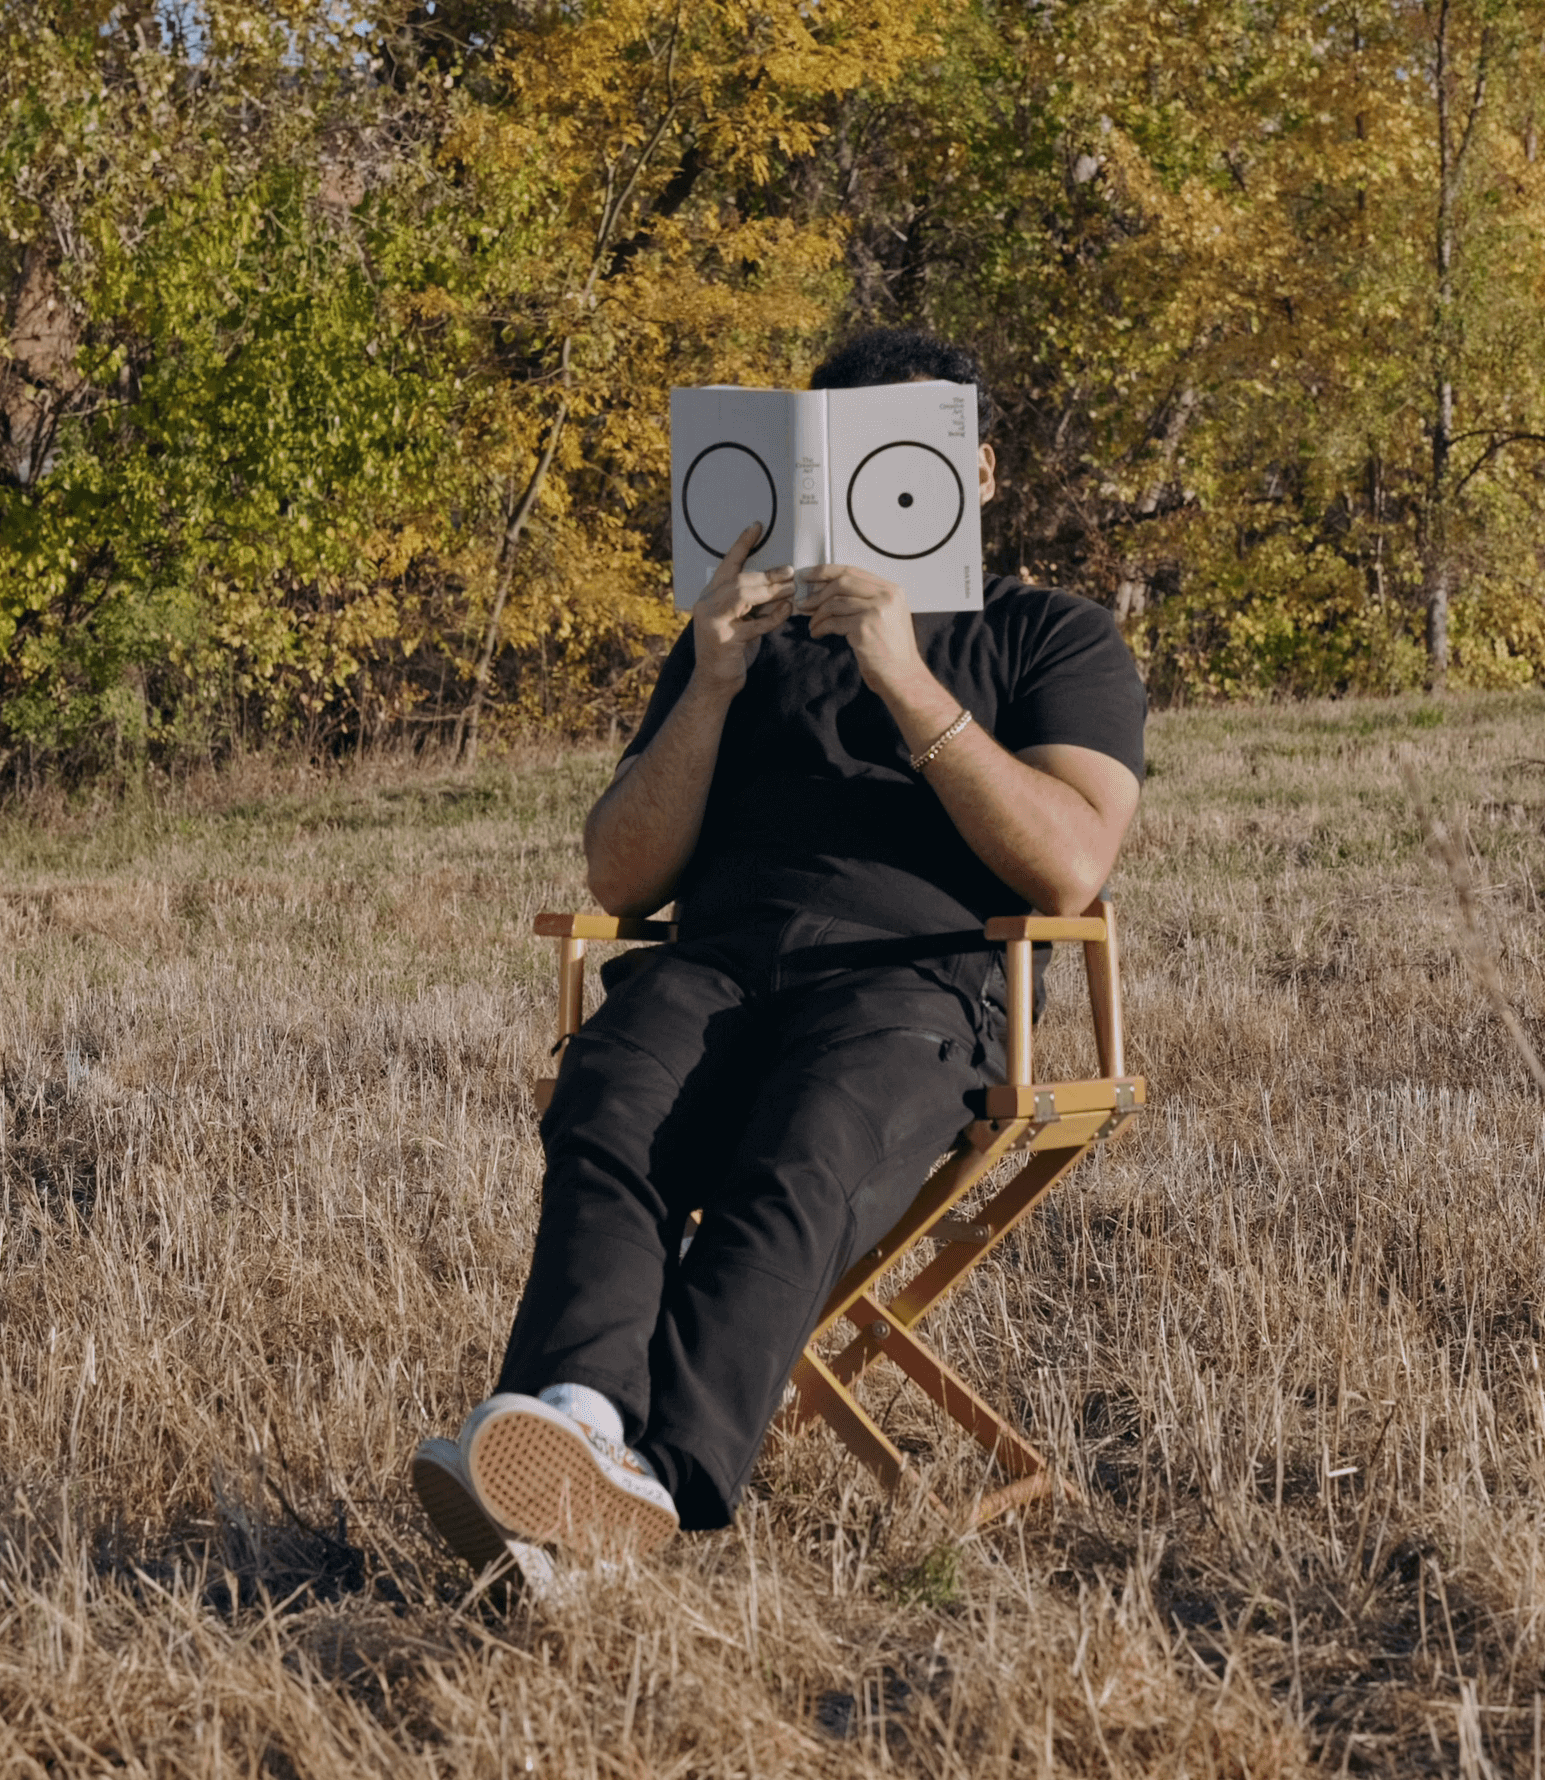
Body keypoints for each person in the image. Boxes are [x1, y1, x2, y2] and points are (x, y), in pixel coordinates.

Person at [408, 328, 1147, 1575]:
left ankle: (647, 1482)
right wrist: (709, 684)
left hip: (919, 986)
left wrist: (905, 679)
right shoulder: (736, 642)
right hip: (718, 967)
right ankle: (580, 1425)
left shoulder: (1050, 636)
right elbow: (620, 875)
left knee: (806, 1151)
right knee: (609, 1098)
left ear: (977, 471)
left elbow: (1072, 862)